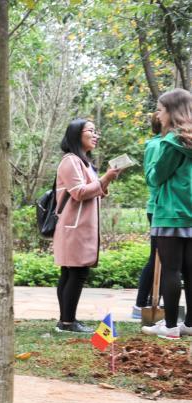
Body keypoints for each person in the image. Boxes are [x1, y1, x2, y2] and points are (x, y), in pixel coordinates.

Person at [52, 119, 122, 333]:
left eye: (95, 131)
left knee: (71, 272)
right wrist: (105, 178)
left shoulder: (83, 162)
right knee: (76, 272)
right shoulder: (70, 161)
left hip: (79, 227)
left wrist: (106, 179)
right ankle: (67, 321)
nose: (95, 135)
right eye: (90, 131)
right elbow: (79, 192)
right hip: (74, 227)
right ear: (76, 135)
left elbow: (93, 189)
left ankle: (66, 320)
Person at [142, 89, 192, 339]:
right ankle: (189, 324)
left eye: (161, 110)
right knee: (191, 270)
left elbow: (155, 178)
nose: (158, 115)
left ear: (172, 112)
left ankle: (170, 326)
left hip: (171, 212)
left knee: (171, 269)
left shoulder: (171, 143)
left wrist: (150, 168)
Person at [131, 113, 166, 319]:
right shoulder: (156, 145)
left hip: (165, 207)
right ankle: (140, 304)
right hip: (158, 207)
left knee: (165, 260)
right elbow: (153, 179)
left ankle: (156, 301)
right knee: (156, 257)